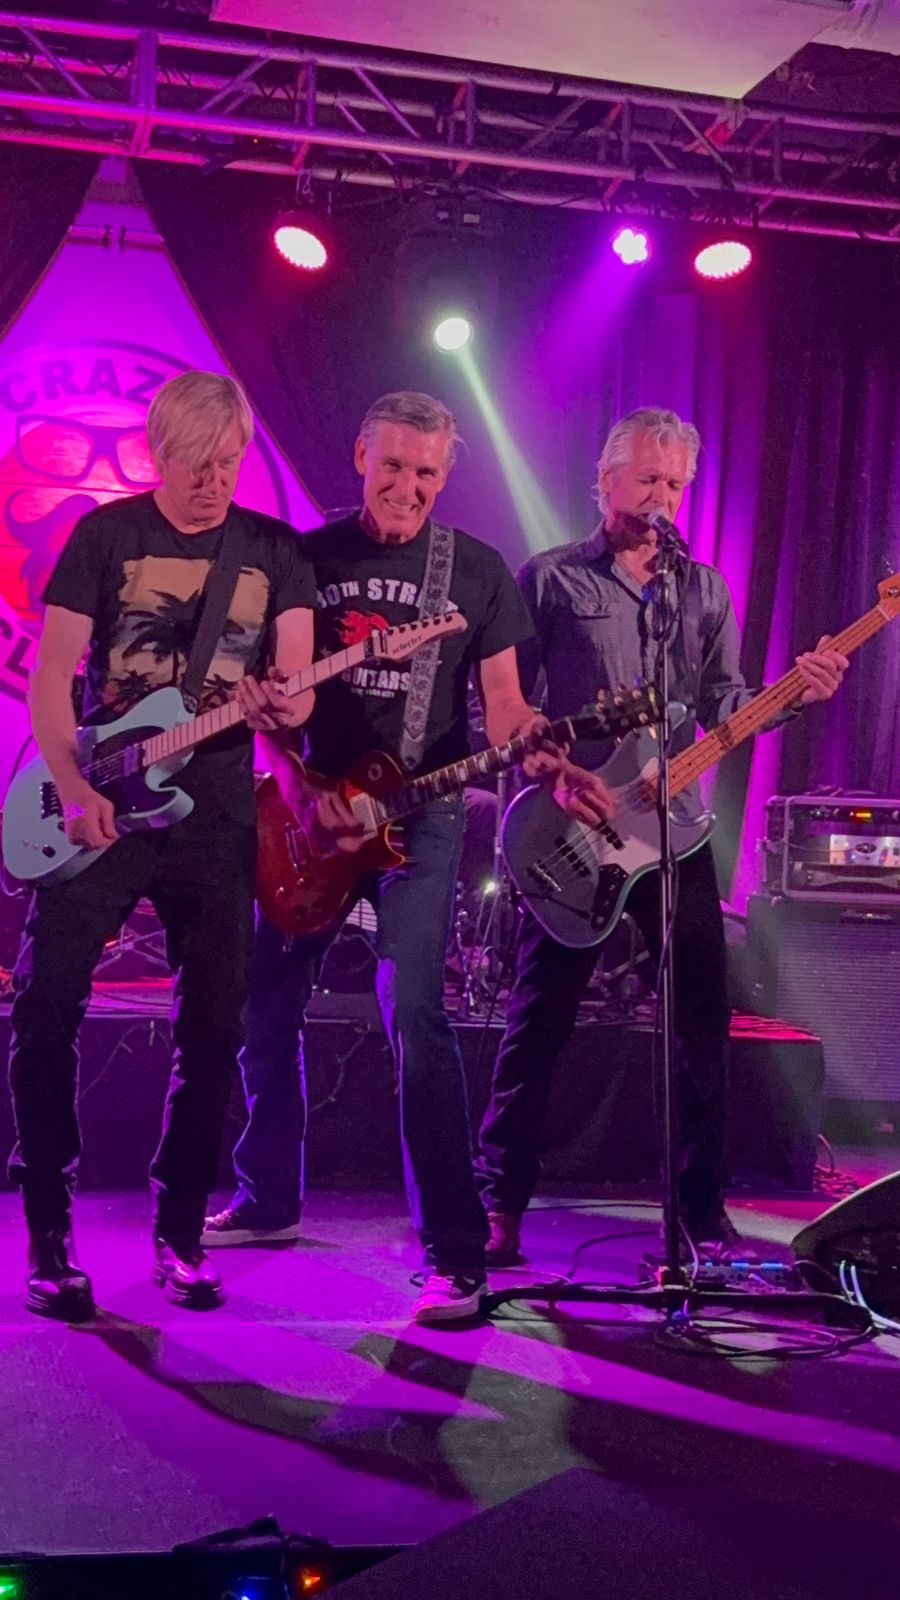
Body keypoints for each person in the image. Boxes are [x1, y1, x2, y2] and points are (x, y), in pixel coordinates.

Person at [203, 390, 550, 1323]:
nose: (407, 486)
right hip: (309, 813)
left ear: (447, 473)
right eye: (391, 464)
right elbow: (264, 695)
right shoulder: (305, 558)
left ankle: (455, 1252)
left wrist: (532, 735)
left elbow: (505, 704)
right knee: (265, 1004)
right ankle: (268, 1199)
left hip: (419, 816)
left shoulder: (474, 571)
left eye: (426, 471)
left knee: (417, 1013)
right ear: (360, 455)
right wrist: (293, 780)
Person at [475, 406, 849, 1264]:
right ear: (603, 480)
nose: (662, 499)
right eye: (647, 479)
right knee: (541, 1018)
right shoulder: (550, 580)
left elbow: (724, 704)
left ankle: (698, 1209)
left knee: (701, 1019)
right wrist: (551, 774)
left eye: (676, 484)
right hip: (579, 826)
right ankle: (500, 1201)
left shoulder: (702, 589)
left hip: (675, 834)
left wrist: (796, 694)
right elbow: (504, 706)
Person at [7, 371, 316, 1320]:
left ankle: (180, 1233)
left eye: (229, 463)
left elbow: (298, 687)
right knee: (46, 1003)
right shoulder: (105, 536)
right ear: (159, 453)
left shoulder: (273, 551)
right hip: (99, 797)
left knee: (214, 1027)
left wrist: (283, 705)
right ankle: (50, 1234)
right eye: (198, 464)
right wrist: (71, 786)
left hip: (215, 813)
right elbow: (53, 677)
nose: (215, 481)